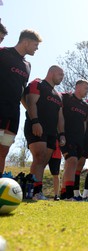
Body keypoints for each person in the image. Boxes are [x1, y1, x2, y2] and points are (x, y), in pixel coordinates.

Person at [0, 29, 42, 178]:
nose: (37, 48)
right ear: (26, 42)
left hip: (13, 113)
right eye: (35, 45)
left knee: (4, 150)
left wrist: (32, 117)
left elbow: (23, 92)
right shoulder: (3, 53)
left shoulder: (27, 65)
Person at [24, 65, 65, 200]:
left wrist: (62, 134)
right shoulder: (38, 84)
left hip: (51, 132)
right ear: (51, 73)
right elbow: (30, 102)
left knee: (43, 161)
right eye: (60, 74)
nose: (62, 78)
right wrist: (35, 121)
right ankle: (33, 191)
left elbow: (60, 116)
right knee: (39, 157)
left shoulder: (58, 95)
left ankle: (36, 190)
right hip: (37, 126)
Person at [60, 79, 88, 201]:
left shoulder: (85, 106)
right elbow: (59, 113)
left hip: (79, 139)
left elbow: (84, 123)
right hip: (67, 136)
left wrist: (84, 138)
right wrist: (61, 133)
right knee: (71, 161)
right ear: (77, 86)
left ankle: (63, 194)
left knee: (71, 164)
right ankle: (69, 194)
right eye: (85, 87)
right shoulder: (66, 97)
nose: (87, 90)